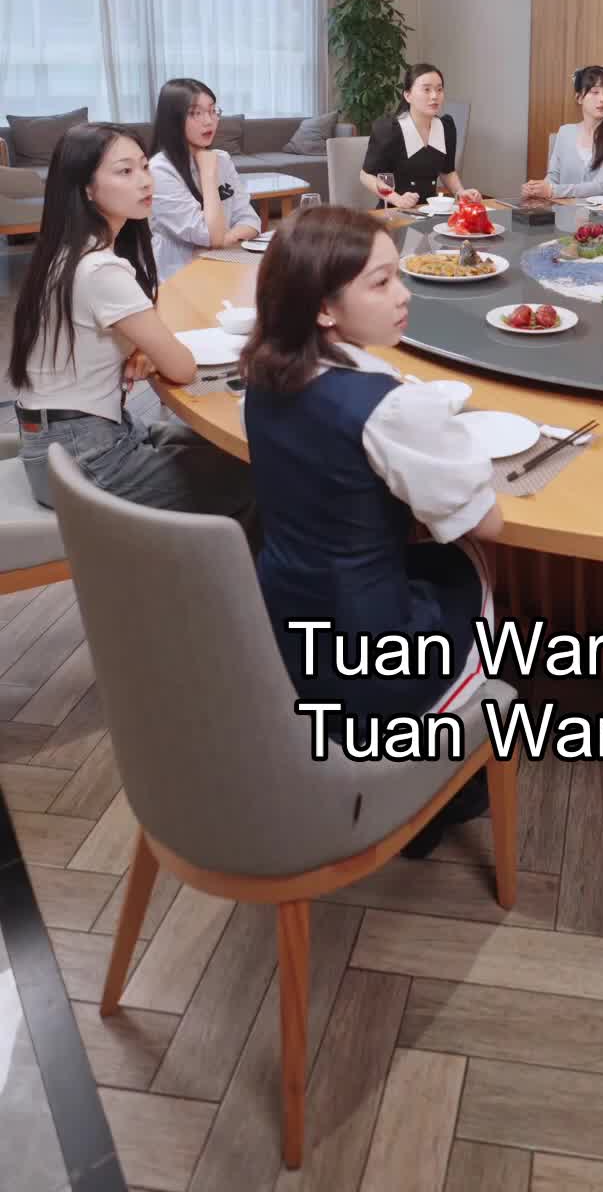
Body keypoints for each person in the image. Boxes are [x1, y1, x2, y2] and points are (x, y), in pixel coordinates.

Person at [242, 205, 502, 856]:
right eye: (381, 283)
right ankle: (436, 776)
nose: (403, 294)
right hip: (372, 657)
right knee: (472, 559)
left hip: (283, 629)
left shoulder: (262, 371)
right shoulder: (389, 407)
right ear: (323, 309)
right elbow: (489, 521)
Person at [7, 123, 255, 522]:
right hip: (84, 455)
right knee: (258, 475)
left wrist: (143, 348)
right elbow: (182, 367)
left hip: (64, 440)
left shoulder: (67, 252)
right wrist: (153, 352)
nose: (144, 181)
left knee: (227, 451)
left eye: (144, 166)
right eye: (125, 171)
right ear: (87, 189)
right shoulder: (100, 269)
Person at [149, 78, 260, 280]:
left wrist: (224, 240)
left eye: (212, 110)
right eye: (195, 113)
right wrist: (208, 174)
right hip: (179, 277)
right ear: (172, 119)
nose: (209, 121)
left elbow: (251, 220)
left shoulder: (222, 159)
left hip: (223, 265)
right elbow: (209, 235)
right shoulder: (160, 170)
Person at [361, 64, 467, 210]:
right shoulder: (389, 130)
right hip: (394, 212)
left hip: (430, 210)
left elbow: (447, 171)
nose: (434, 96)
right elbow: (366, 176)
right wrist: (397, 199)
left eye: (439, 89)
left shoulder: (446, 127)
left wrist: (461, 193)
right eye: (426, 89)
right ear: (408, 95)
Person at [522, 65, 603, 202]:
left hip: (602, 213)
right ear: (579, 98)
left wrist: (552, 190)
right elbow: (553, 176)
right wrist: (536, 189)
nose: (602, 99)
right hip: (565, 212)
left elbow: (599, 186)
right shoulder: (565, 132)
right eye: (595, 92)